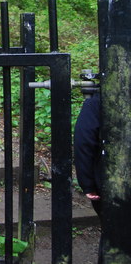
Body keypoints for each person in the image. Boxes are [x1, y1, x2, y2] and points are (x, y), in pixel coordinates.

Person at [74, 93, 103, 264]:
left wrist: (88, 184)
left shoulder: (98, 102)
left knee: (114, 233)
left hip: (111, 186)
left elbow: (84, 141)